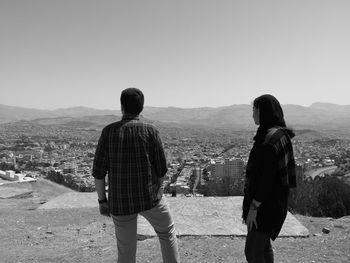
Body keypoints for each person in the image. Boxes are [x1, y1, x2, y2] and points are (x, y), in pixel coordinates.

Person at [92, 88, 180, 263]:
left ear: (122, 106)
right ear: (142, 107)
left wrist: (102, 201)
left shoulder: (108, 132)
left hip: (120, 202)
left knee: (126, 250)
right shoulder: (151, 131)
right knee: (167, 233)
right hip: (150, 198)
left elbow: (99, 173)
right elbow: (161, 169)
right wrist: (159, 190)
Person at [242, 94, 296, 263]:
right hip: (276, 202)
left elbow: (266, 179)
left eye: (254, 110)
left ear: (263, 111)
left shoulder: (268, 139)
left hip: (265, 206)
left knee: (252, 251)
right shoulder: (279, 134)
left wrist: (254, 207)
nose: (252, 114)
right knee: (264, 247)